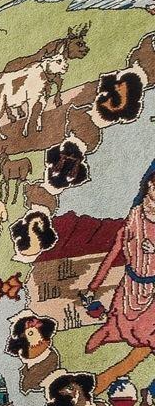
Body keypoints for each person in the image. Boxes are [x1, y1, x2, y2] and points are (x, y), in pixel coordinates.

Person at [85, 161, 155, 389]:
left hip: (152, 292)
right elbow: (114, 253)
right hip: (129, 287)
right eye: (154, 185)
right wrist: (93, 287)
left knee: (147, 333)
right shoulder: (134, 218)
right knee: (120, 320)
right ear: (148, 187)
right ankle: (111, 331)